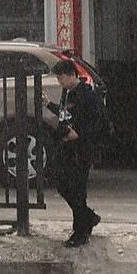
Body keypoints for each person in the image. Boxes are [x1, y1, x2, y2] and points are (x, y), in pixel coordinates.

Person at [48, 58, 105, 247]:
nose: (60, 82)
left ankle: (81, 231)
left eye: (62, 78)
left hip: (81, 149)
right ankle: (88, 217)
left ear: (72, 75)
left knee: (78, 189)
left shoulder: (87, 95)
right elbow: (65, 114)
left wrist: (79, 134)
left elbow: (95, 123)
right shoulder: (67, 93)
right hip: (67, 147)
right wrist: (49, 105)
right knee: (62, 183)